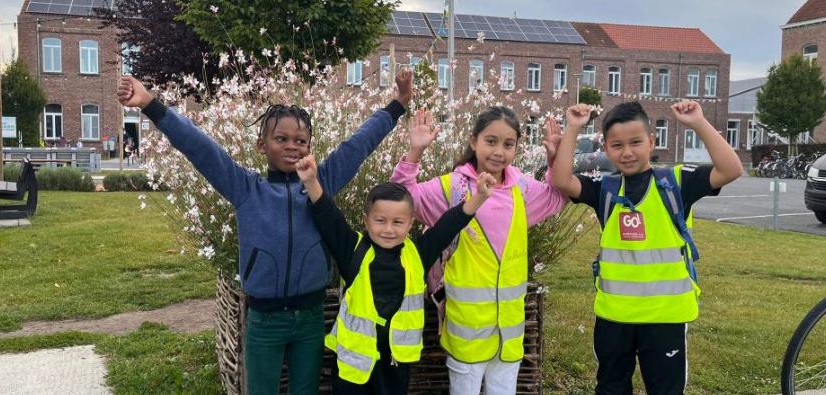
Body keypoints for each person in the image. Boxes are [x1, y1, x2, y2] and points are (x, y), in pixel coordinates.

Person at [116, 70, 414, 395]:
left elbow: (359, 144)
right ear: (262, 145)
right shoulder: (245, 189)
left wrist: (397, 105)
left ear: (310, 147)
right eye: (281, 139)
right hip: (264, 321)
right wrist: (148, 103)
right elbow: (199, 147)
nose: (292, 147)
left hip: (310, 319)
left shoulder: (321, 183)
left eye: (300, 141)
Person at [548, 101, 743, 394]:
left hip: (665, 317)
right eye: (617, 145)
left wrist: (699, 123)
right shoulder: (606, 189)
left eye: (636, 142)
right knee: (611, 388)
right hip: (615, 317)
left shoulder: (677, 183)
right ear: (607, 149)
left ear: (652, 142)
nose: (626, 152)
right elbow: (562, 180)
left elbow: (731, 169)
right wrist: (573, 128)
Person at [390, 107, 568, 394]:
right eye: (491, 141)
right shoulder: (453, 189)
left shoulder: (520, 190)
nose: (499, 151)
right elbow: (398, 199)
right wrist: (415, 152)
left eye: (508, 144)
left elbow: (558, 196)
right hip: (466, 332)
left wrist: (553, 161)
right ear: (473, 141)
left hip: (508, 334)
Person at [296, 152, 495, 394]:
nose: (388, 229)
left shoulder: (417, 255)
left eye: (398, 222)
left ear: (411, 223)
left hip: (395, 364)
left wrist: (480, 197)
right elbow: (329, 217)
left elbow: (448, 225)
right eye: (380, 220)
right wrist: (311, 181)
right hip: (354, 368)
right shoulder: (353, 249)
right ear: (366, 220)